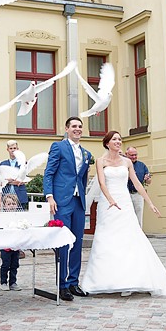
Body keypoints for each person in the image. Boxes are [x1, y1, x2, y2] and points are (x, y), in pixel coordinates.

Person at [81, 131, 166, 297]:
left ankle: (130, 279)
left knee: (128, 238)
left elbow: (137, 184)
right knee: (107, 238)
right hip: (108, 204)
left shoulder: (127, 162)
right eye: (115, 139)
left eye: (120, 139)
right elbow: (102, 183)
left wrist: (150, 202)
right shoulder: (100, 161)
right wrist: (111, 200)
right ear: (107, 143)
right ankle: (101, 280)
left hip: (125, 203)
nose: (118, 142)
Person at [42, 116, 91, 302]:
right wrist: (50, 196)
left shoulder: (86, 153)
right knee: (63, 242)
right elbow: (49, 172)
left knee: (77, 242)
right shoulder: (59, 146)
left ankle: (73, 281)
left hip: (78, 202)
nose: (77, 129)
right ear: (67, 129)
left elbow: (83, 178)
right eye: (74, 126)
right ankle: (61, 285)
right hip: (62, 201)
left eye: (80, 126)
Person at [0, 194, 22, 291]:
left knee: (15, 264)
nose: (12, 206)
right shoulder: (2, 217)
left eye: (13, 203)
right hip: (5, 246)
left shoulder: (18, 217)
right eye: (9, 204)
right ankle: (3, 282)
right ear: (4, 206)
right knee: (5, 264)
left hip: (15, 245)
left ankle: (13, 282)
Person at [124, 147, 152, 228]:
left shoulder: (142, 165)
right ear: (126, 155)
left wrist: (148, 179)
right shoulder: (122, 164)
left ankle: (139, 234)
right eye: (131, 155)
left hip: (138, 194)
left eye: (135, 155)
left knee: (138, 216)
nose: (134, 157)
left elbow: (149, 181)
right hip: (126, 194)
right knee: (126, 216)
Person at [0, 139, 28, 210]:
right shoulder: (3, 164)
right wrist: (12, 180)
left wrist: (9, 181)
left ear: (18, 149)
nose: (12, 150)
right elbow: (1, 181)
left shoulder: (23, 163)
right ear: (7, 149)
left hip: (20, 196)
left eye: (14, 148)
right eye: (11, 148)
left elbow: (24, 180)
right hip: (6, 196)